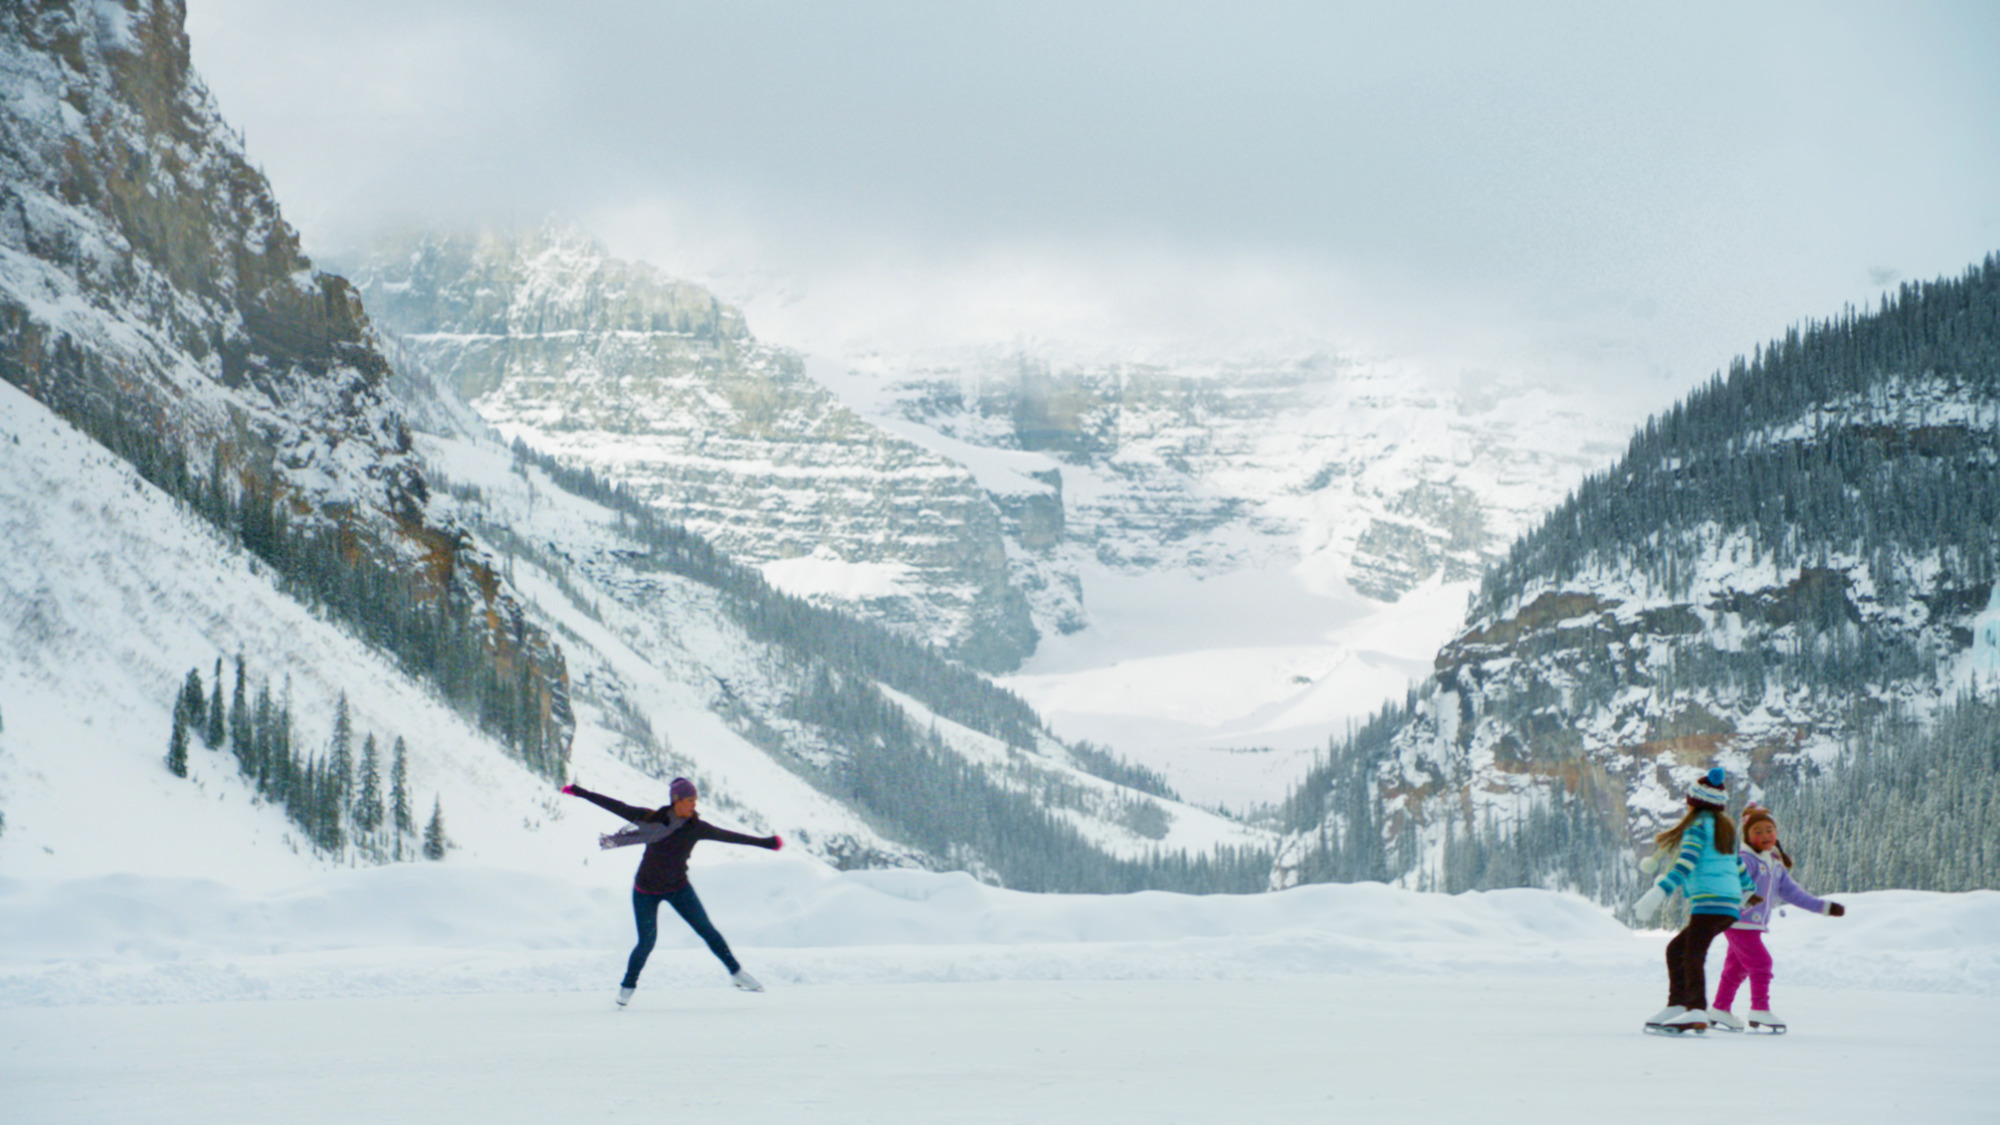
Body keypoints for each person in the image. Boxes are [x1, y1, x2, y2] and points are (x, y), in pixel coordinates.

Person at [562, 777, 782, 1007]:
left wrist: (766, 843)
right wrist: (580, 792)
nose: (693, 805)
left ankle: (736, 974)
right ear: (676, 800)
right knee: (646, 942)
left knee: (707, 930)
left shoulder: (697, 828)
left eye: (695, 800)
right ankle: (627, 986)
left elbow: (730, 836)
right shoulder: (651, 819)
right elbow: (616, 806)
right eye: (689, 800)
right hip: (645, 891)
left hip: (679, 889)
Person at [1632, 767, 1759, 1034]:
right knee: (1677, 950)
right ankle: (1678, 1005)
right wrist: (1748, 892)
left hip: (1710, 904)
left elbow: (1684, 864)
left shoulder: (1698, 828)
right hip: (1728, 906)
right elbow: (1738, 867)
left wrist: (1659, 892)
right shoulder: (1726, 830)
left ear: (1694, 803)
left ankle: (1696, 1010)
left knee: (1692, 955)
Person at [1706, 803, 1846, 1033]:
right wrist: (1743, 900)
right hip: (1737, 922)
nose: (1765, 835)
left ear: (1776, 832)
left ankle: (1720, 1009)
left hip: (1750, 925)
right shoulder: (1746, 859)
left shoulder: (1774, 863)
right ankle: (1759, 1008)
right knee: (1761, 963)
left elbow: (1793, 893)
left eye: (1769, 830)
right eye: (1757, 831)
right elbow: (1730, 885)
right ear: (1748, 835)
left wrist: (1824, 907)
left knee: (1736, 968)